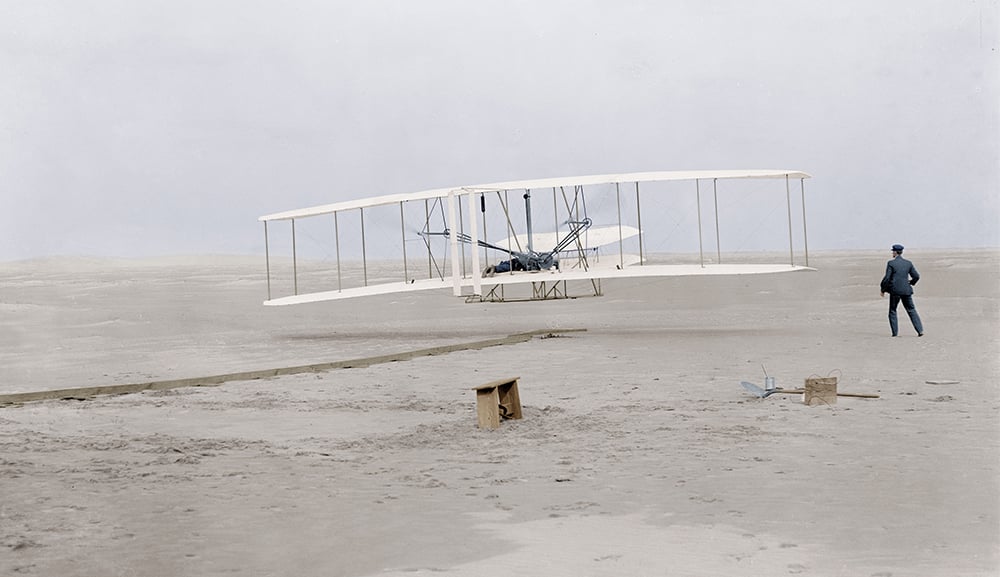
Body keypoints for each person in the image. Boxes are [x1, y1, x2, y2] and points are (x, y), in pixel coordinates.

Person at [880, 244, 924, 337]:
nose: (892, 253)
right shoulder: (908, 263)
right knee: (911, 310)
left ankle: (895, 333)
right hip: (906, 290)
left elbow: (887, 278)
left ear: (895, 252)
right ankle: (920, 331)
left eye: (893, 251)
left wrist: (883, 289)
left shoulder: (891, 263)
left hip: (895, 291)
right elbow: (916, 276)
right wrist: (911, 282)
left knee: (892, 310)